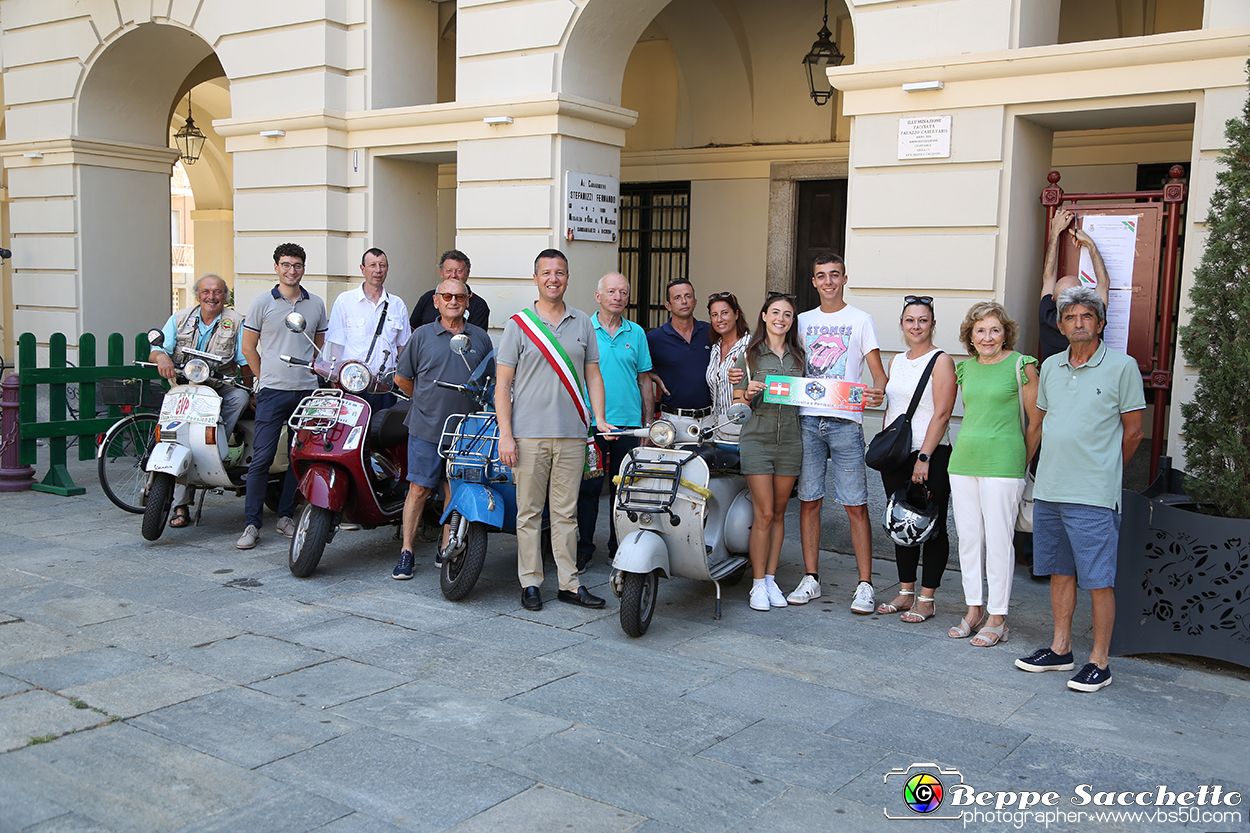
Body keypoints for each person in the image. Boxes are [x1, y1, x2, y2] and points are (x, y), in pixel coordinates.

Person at [1016, 286, 1145, 692]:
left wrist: (1107, 471)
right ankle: (1060, 649)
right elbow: (1038, 423)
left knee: (1099, 579)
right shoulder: (1051, 366)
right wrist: (1023, 469)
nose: (1078, 323)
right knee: (1059, 571)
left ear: (1101, 323)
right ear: (1060, 324)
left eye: (1086, 316)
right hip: (1051, 488)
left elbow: (1134, 432)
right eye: (1069, 317)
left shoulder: (1123, 367)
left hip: (1092, 493)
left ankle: (1099, 661)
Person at [496, 250, 614, 611]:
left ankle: (569, 584)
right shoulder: (519, 325)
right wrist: (505, 434)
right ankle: (530, 582)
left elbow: (593, 374)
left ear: (567, 277)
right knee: (529, 513)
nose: (553, 278)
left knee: (566, 513)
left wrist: (600, 418)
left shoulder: (582, 324)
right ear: (536, 278)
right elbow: (503, 385)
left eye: (559, 272)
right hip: (528, 434)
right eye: (546, 272)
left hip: (572, 433)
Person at [791, 254, 886, 611]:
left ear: (845, 278)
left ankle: (865, 584)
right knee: (809, 500)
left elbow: (877, 372)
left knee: (855, 504)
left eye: (834, 275)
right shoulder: (801, 321)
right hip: (808, 419)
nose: (828, 281)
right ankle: (811, 577)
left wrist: (877, 389)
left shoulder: (860, 320)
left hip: (846, 421)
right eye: (821, 276)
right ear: (813, 282)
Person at [946, 301, 1038, 646]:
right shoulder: (965, 369)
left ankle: (998, 617)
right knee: (969, 539)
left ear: (1005, 334)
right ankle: (974, 609)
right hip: (964, 461)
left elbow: (1037, 421)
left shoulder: (1021, 365)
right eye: (980, 330)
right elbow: (973, 413)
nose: (987, 336)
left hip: (1004, 463)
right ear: (971, 335)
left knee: (999, 541)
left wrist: (1020, 461)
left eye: (994, 330)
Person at [390, 278, 493, 580]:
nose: (452, 300)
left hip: (467, 433)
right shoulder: (421, 336)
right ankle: (407, 551)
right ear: (436, 301)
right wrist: (424, 401)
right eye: (446, 296)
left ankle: (446, 544)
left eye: (459, 296)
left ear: (468, 300)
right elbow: (402, 379)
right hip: (427, 427)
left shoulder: (480, 338)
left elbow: (488, 382)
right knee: (419, 489)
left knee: (455, 491)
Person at [236, 243, 328, 549]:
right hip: (273, 392)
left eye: (297, 265)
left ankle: (286, 516)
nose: (292, 270)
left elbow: (319, 348)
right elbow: (248, 347)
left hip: (306, 392)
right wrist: (265, 377)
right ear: (276, 267)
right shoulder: (262, 303)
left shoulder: (315, 304)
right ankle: (252, 524)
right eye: (286, 265)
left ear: (304, 268)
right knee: (261, 457)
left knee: (297, 458)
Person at [874, 296, 956, 623]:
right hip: (897, 457)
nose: (916, 326)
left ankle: (927, 598)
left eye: (923, 320)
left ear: (933, 325)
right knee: (901, 524)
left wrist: (924, 457)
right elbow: (892, 409)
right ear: (902, 325)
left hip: (930, 455)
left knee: (932, 527)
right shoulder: (896, 361)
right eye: (910, 320)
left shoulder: (941, 361)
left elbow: (943, 412)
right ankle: (906, 592)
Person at [150, 273, 250, 529]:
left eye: (217, 292)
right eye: (206, 292)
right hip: (185, 386)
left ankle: (215, 441)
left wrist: (254, 389)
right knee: (178, 437)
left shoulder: (236, 321)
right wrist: (162, 358)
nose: (211, 297)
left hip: (219, 387)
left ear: (225, 296)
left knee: (240, 396)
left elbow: (243, 360)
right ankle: (180, 504)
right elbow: (158, 348)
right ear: (198, 295)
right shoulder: (180, 317)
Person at [576, 273, 654, 572]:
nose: (618, 297)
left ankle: (617, 547)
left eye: (623, 292)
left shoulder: (636, 334)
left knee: (623, 489)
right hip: (592, 425)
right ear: (598, 296)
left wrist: (647, 424)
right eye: (611, 291)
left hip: (629, 426)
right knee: (589, 489)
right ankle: (584, 548)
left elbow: (645, 380)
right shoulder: (584, 330)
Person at [733, 293, 805, 611]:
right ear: (763, 316)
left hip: (790, 441)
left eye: (787, 314)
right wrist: (746, 394)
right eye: (775, 312)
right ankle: (758, 584)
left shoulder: (799, 357)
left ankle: (772, 579)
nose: (781, 319)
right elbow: (736, 406)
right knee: (762, 514)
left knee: (778, 513)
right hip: (756, 441)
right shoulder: (749, 355)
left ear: (792, 321)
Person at [324, 247, 411, 411]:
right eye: (372, 265)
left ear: (387, 268)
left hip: (385, 387)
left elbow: (403, 348)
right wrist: (335, 382)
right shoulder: (345, 301)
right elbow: (335, 345)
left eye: (382, 265)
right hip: (352, 383)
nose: (378, 270)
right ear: (362, 269)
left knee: (383, 434)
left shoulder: (397, 304)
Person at [1039, 208, 1110, 362]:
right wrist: (1090, 244)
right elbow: (1103, 283)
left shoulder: (1047, 316)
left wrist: (1055, 233)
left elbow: (1048, 277)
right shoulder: (1093, 316)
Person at [646, 278, 713, 419]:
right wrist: (654, 377)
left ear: (695, 302)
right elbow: (633, 369)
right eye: (677, 298)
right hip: (673, 418)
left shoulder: (710, 332)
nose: (684, 301)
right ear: (668, 305)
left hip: (708, 418)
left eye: (688, 296)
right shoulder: (654, 338)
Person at [705, 291, 750, 442]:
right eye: (714, 315)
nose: (720, 319)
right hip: (718, 429)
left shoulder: (750, 347)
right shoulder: (715, 348)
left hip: (745, 429)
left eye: (725, 313)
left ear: (736, 314)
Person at [409, 250, 491, 330]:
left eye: (459, 271)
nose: (453, 275)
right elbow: (412, 331)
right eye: (449, 271)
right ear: (441, 273)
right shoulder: (427, 298)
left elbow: (476, 339)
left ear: (467, 273)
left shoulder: (479, 305)